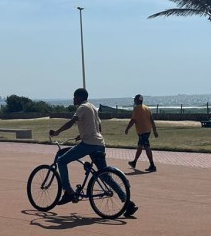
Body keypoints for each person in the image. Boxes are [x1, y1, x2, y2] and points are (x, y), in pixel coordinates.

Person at [49, 88, 137, 216]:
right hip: (100, 144)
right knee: (104, 174)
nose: (73, 99)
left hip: (89, 144)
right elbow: (98, 127)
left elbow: (71, 123)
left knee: (61, 161)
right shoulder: (93, 108)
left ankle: (68, 191)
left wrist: (57, 132)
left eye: (74, 97)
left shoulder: (82, 107)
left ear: (79, 97)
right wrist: (83, 134)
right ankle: (128, 203)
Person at [124, 94, 158, 172]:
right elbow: (152, 120)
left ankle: (152, 165)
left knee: (146, 146)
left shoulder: (136, 109)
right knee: (140, 146)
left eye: (135, 99)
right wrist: (155, 130)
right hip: (147, 130)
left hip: (143, 131)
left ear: (137, 100)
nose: (134, 101)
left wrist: (127, 129)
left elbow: (133, 120)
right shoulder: (147, 108)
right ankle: (134, 162)